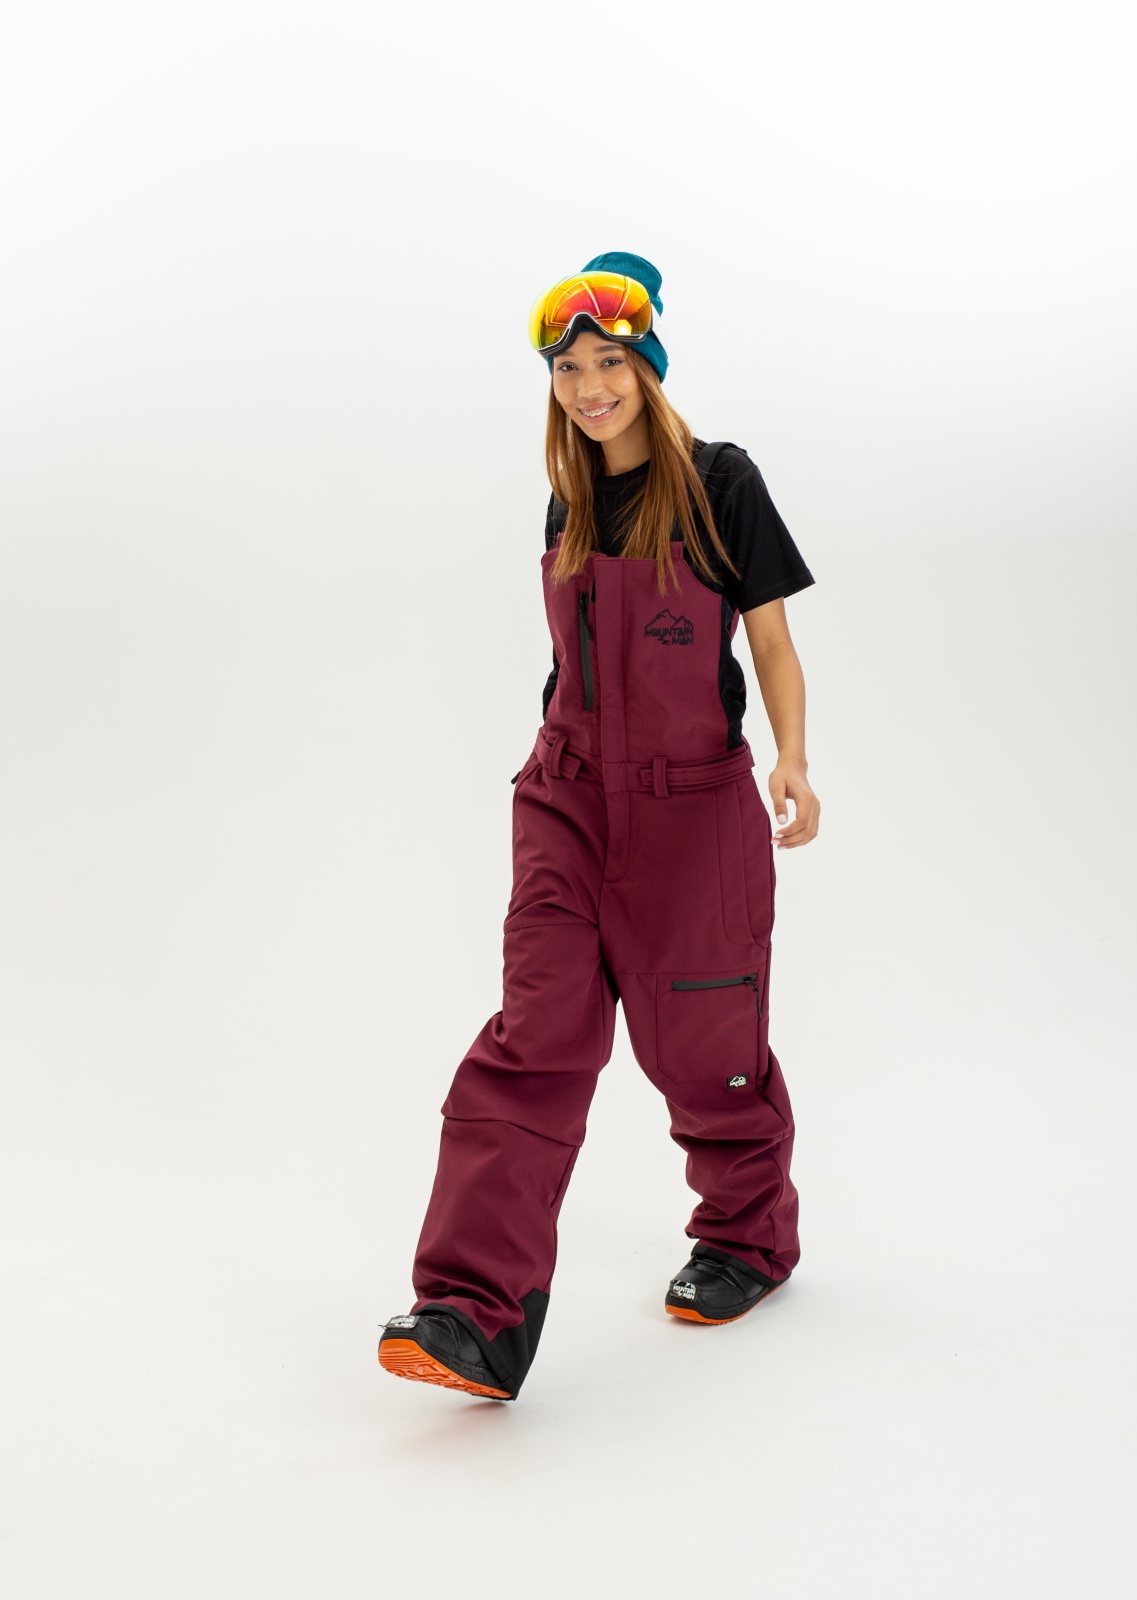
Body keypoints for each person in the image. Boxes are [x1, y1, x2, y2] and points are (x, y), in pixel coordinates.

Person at [378, 251, 820, 1400]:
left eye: (609, 362)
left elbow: (769, 639)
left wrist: (791, 759)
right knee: (537, 1033)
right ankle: (472, 1313)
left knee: (702, 1043)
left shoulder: (720, 480)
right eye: (567, 369)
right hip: (566, 797)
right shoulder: (567, 497)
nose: (588, 387)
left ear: (647, 367)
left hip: (693, 808)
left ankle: (745, 1237)